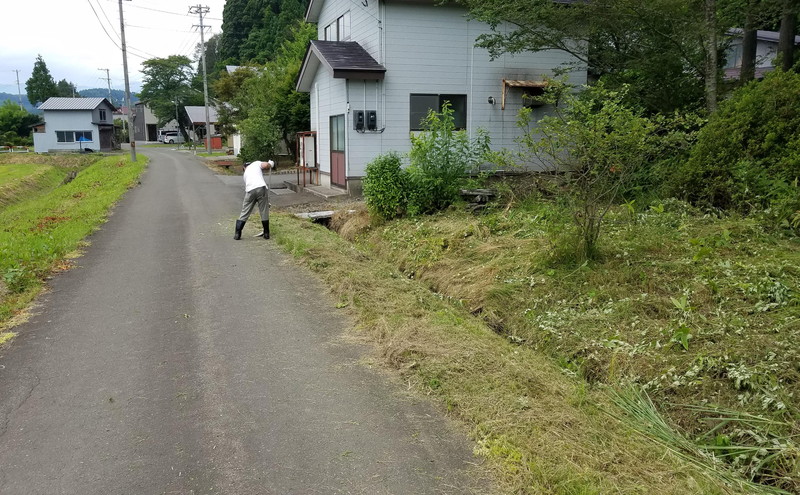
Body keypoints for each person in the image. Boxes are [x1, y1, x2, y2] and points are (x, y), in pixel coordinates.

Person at [234, 159, 273, 240]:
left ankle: (237, 234)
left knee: (245, 211)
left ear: (244, 168)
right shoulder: (256, 163)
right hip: (261, 188)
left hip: (250, 191)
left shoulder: (245, 175)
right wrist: (270, 164)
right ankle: (266, 233)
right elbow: (265, 165)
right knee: (264, 210)